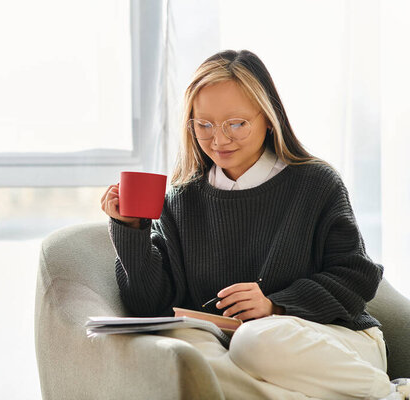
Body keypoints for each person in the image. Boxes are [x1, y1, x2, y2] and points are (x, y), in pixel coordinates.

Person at [100, 50, 409, 400]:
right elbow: (149, 305)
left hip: (334, 346)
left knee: (255, 339)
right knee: (184, 351)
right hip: (235, 351)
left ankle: (388, 393)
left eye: (236, 123)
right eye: (204, 125)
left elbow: (356, 277)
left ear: (268, 118)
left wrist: (276, 306)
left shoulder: (315, 183)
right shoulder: (181, 199)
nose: (218, 139)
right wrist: (130, 229)